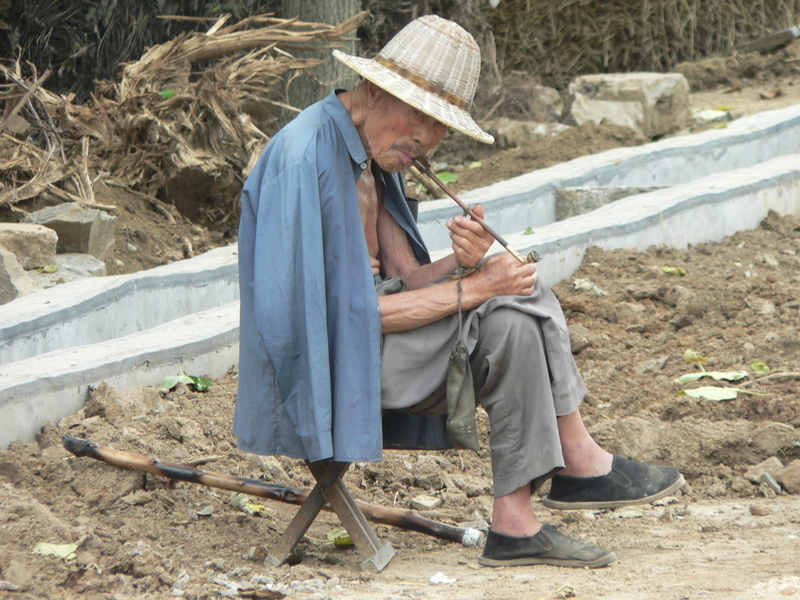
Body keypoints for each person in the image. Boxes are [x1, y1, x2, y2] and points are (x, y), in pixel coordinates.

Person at [235, 14, 684, 569]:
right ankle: (562, 477)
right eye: (418, 116)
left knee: (515, 292)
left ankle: (537, 500)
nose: (426, 138)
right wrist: (474, 288)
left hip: (378, 345)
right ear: (375, 90)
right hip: (329, 371)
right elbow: (342, 318)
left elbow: (404, 276)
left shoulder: (376, 154)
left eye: (440, 124)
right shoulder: (305, 160)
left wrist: (466, 264)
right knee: (508, 313)